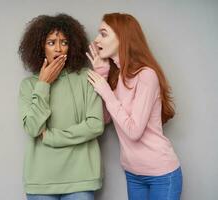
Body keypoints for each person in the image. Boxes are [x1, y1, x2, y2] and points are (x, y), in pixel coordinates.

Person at [86, 13, 182, 200]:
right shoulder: (117, 77)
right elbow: (104, 119)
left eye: (103, 34)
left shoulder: (146, 75)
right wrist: (103, 75)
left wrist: (105, 91)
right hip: (133, 174)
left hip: (162, 175)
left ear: (122, 37)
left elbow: (134, 131)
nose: (96, 39)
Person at [18, 13, 104, 200]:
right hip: (41, 180)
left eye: (64, 42)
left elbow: (96, 125)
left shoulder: (86, 78)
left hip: (81, 178)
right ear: (40, 46)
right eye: (51, 42)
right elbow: (32, 128)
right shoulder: (29, 85)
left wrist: (51, 137)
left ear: (72, 45)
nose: (58, 48)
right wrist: (43, 84)